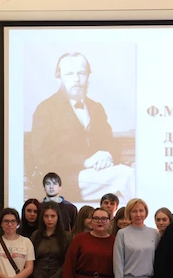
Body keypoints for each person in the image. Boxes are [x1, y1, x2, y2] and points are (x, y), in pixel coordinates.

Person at [27, 52, 134, 204]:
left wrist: (106, 156)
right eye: (70, 74)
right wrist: (85, 161)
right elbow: (42, 156)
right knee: (127, 177)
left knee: (127, 183)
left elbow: (110, 143)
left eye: (81, 73)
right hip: (65, 180)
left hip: (98, 174)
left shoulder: (96, 108)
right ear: (59, 77)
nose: (76, 79)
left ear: (88, 76)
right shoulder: (46, 109)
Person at [61, 207, 116, 278]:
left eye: (104, 219)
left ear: (109, 221)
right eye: (96, 218)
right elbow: (69, 268)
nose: (100, 221)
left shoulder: (115, 241)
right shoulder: (80, 239)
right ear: (91, 221)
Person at [113, 199, 159, 278]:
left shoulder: (154, 233)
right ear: (129, 213)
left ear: (146, 212)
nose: (138, 214)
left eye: (141, 211)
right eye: (134, 211)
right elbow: (118, 263)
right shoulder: (122, 234)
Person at [30, 202, 73, 278]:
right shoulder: (35, 236)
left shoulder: (66, 237)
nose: (49, 219)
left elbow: (67, 264)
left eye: (52, 216)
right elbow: (32, 261)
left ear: (58, 217)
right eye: (46, 216)